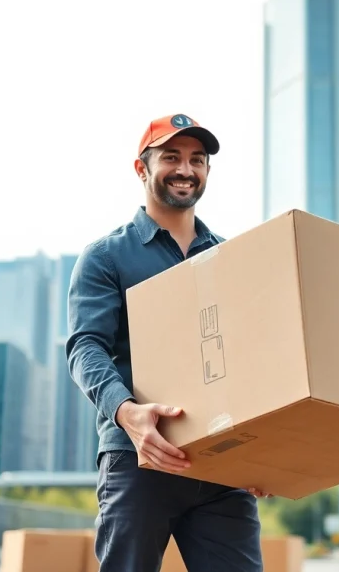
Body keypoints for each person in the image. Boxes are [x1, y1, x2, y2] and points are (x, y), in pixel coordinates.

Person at [66, 113, 265, 572]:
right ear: (142, 169)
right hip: (139, 457)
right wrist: (127, 413)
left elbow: (254, 353)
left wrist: (264, 451)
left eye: (197, 160)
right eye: (171, 157)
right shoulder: (106, 256)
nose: (185, 169)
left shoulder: (232, 257)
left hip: (222, 460)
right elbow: (85, 347)